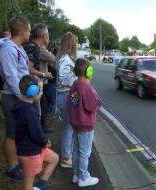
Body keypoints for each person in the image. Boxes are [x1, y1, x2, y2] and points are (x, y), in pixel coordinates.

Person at [0, 16, 31, 180]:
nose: (30, 33)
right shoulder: (9, 49)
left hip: (18, 96)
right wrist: (23, 97)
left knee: (17, 132)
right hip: (12, 97)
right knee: (11, 133)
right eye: (29, 30)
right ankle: (11, 167)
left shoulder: (18, 47)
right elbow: (11, 78)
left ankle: (17, 162)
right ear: (23, 31)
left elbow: (22, 72)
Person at [12, 75, 58, 190]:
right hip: (30, 153)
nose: (42, 93)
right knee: (27, 185)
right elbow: (36, 132)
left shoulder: (22, 107)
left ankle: (41, 185)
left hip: (34, 148)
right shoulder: (29, 111)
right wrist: (45, 142)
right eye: (40, 91)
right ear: (33, 92)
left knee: (54, 158)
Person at [67, 59, 101, 187]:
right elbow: (92, 106)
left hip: (75, 122)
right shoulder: (86, 87)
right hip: (85, 124)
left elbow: (73, 102)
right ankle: (84, 177)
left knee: (76, 150)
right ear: (88, 71)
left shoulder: (75, 84)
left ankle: (76, 174)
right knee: (85, 152)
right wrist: (97, 99)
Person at [24, 23, 54, 133]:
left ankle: (38, 129)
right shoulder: (35, 48)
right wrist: (43, 75)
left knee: (41, 106)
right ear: (45, 35)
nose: (49, 37)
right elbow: (28, 69)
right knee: (38, 110)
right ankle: (38, 132)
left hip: (28, 85)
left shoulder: (29, 45)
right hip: (32, 85)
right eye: (48, 35)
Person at [56, 32, 78, 168]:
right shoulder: (65, 59)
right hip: (66, 96)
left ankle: (67, 154)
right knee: (68, 128)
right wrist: (78, 82)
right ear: (72, 44)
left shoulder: (64, 58)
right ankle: (66, 157)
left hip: (66, 95)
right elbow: (65, 80)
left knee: (69, 127)